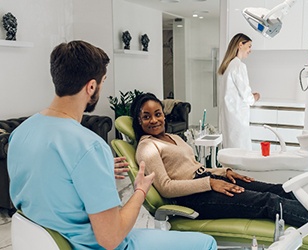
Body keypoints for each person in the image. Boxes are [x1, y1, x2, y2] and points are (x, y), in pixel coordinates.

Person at [7, 40, 217, 250]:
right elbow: (111, 238)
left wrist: (93, 171)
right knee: (206, 242)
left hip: (47, 241)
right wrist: (140, 191)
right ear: (91, 86)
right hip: (94, 246)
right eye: (102, 81)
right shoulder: (89, 146)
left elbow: (47, 179)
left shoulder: (20, 133)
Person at [131, 92, 308, 232]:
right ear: (139, 122)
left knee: (278, 189)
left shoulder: (173, 137)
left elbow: (197, 168)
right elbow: (166, 187)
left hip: (209, 181)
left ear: (164, 114)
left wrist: (224, 172)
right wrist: (210, 183)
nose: (154, 120)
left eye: (158, 113)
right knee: (268, 202)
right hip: (193, 197)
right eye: (146, 117)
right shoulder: (147, 147)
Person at [217, 33, 260, 150]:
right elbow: (247, 95)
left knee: (231, 153)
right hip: (238, 120)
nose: (250, 50)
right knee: (242, 154)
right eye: (249, 46)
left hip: (229, 119)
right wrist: (255, 97)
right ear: (240, 44)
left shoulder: (229, 66)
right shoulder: (239, 66)